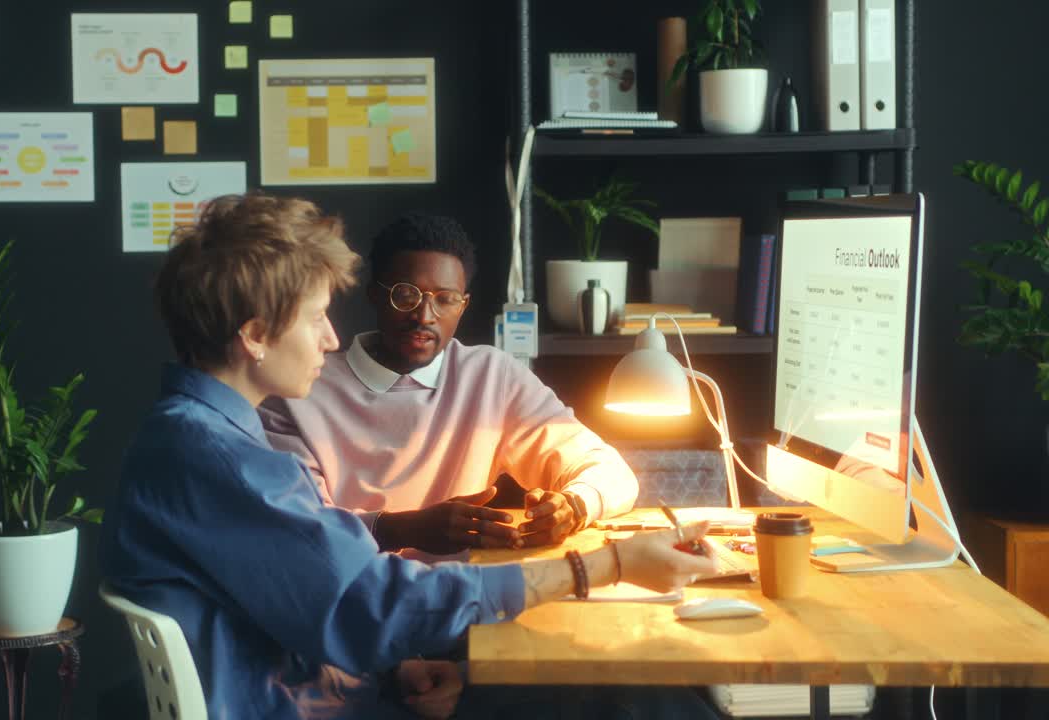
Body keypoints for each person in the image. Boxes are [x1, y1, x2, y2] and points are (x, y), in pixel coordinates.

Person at [100, 193, 719, 719]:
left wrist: (398, 674)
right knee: (637, 694)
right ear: (256, 335)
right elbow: (371, 605)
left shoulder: (194, 439)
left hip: (341, 683)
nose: (331, 337)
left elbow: (309, 593)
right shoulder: (221, 459)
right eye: (315, 317)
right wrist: (602, 567)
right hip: (305, 705)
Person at [259, 213, 638, 557]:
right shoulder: (301, 388)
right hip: (352, 603)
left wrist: (575, 505)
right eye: (406, 294)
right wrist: (403, 528)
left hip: (462, 600)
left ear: (463, 305)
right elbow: (301, 531)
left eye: (445, 299)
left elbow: (611, 471)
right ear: (374, 295)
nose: (425, 315)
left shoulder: (491, 377)